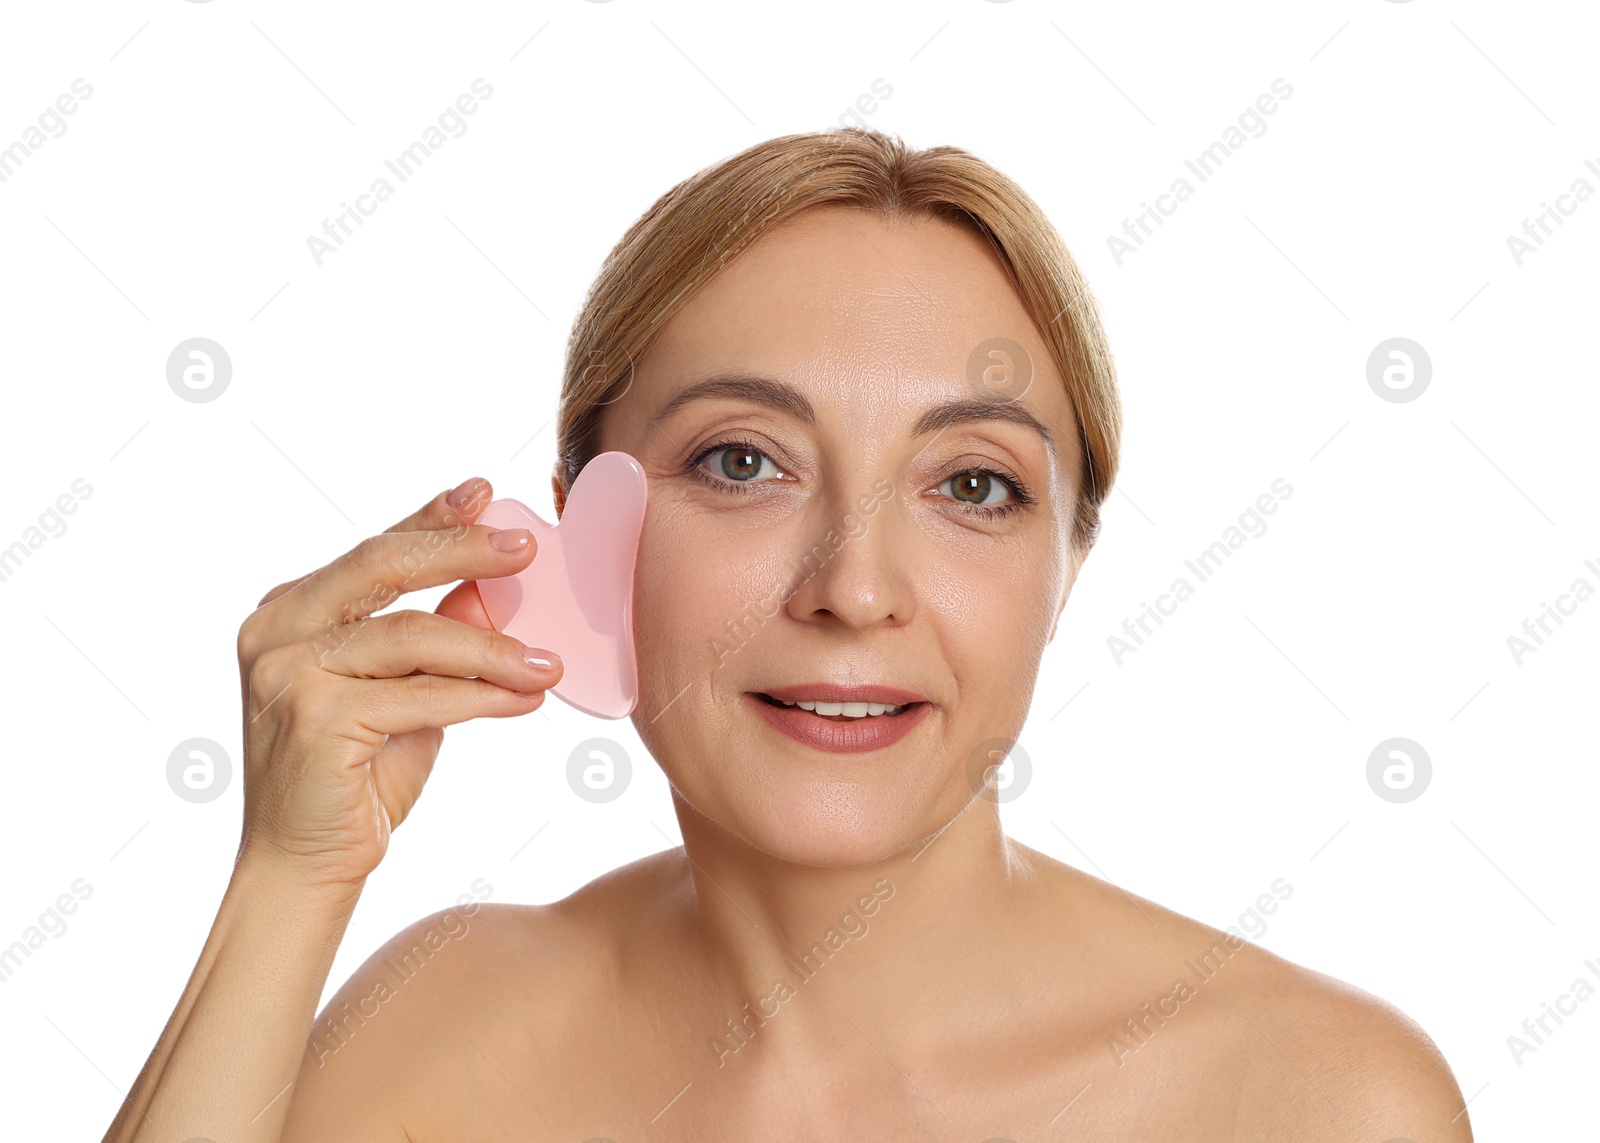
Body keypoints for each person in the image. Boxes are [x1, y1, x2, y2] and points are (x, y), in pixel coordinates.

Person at [107, 128, 1472, 1142]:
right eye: (745, 463)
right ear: (589, 542)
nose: (855, 587)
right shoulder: (444, 1030)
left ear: (1067, 571)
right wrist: (292, 874)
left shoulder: (1315, 1101)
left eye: (974, 486)